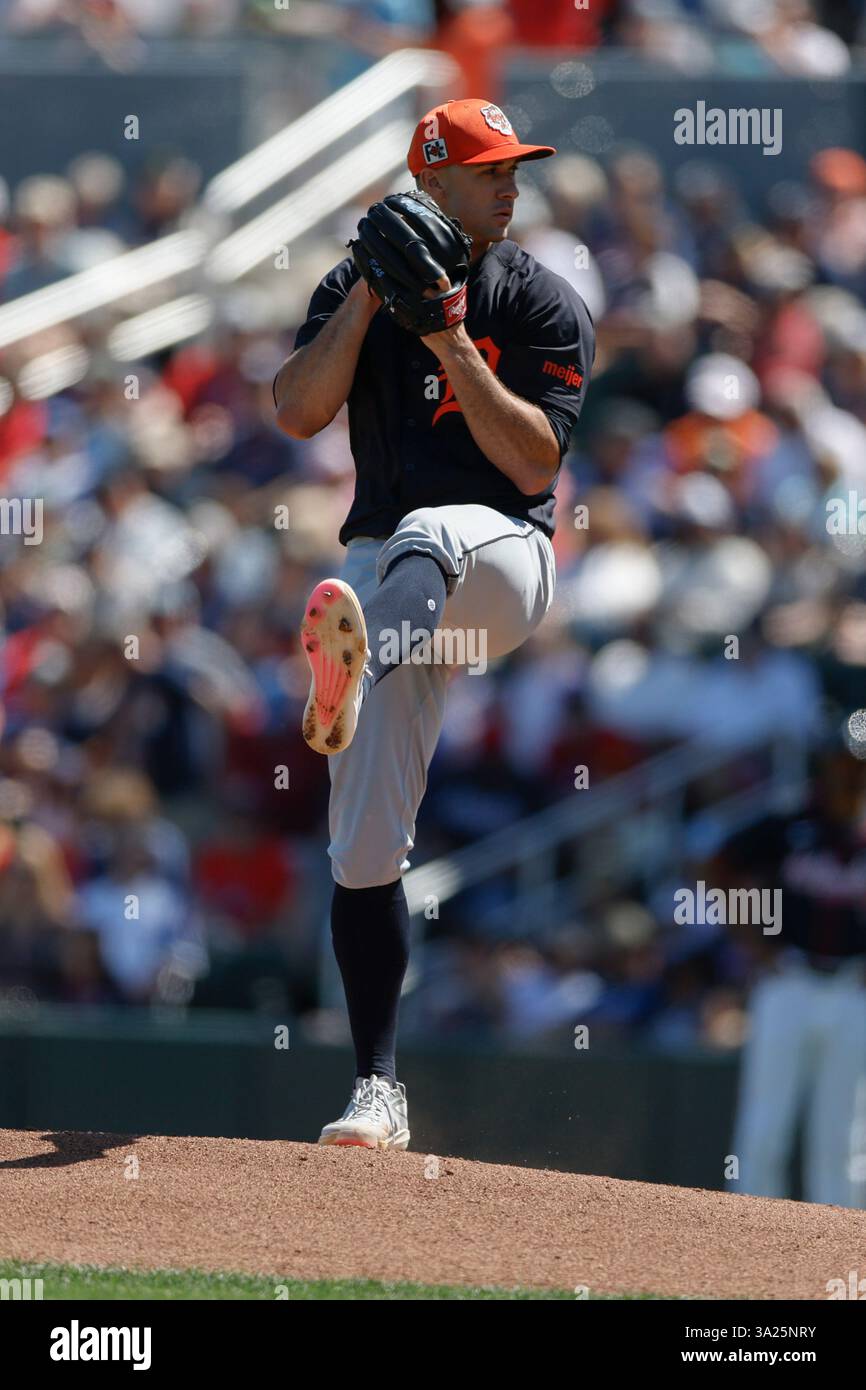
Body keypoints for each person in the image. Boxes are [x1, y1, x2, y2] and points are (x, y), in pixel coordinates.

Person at [273, 99, 595, 1149]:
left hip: (501, 560)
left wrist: (449, 337)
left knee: (430, 531)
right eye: (488, 167)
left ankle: (347, 679)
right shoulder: (352, 279)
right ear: (433, 178)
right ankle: (378, 1090)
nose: (510, 182)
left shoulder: (535, 295)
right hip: (387, 588)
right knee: (362, 850)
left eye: (515, 167)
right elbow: (295, 408)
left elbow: (535, 465)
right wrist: (371, 297)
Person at [719, 737, 866, 1207]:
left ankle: (841, 1250)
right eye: (843, 764)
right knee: (766, 1125)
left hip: (852, 989)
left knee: (844, 1135)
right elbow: (716, 866)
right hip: (790, 981)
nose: (850, 776)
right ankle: (749, 1244)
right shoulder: (794, 824)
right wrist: (754, 944)